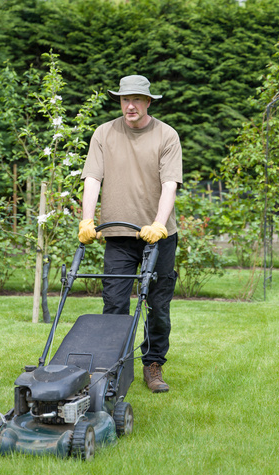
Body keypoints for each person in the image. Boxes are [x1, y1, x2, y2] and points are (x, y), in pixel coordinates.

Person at [78, 75, 183, 393]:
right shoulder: (104, 133)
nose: (131, 105)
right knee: (114, 303)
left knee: (157, 304)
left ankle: (153, 365)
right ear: (120, 101)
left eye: (137, 99)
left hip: (159, 235)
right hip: (118, 235)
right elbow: (93, 179)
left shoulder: (166, 135)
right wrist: (86, 220)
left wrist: (159, 223)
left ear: (149, 101)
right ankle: (112, 366)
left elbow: (170, 185)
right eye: (125, 99)